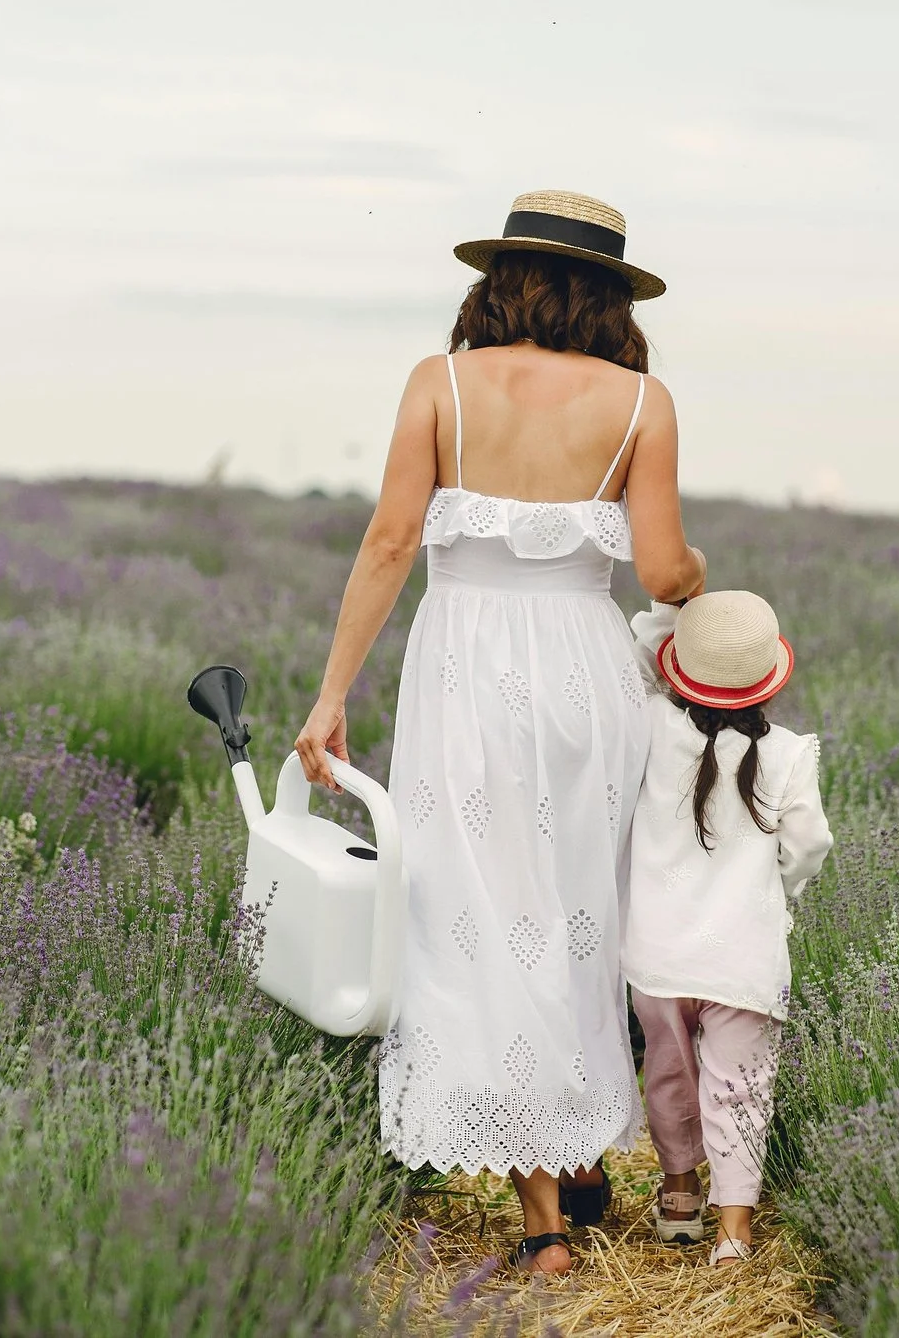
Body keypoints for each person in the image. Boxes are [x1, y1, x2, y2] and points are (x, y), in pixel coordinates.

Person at [295, 190, 708, 1277]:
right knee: (582, 912)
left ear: (500, 281)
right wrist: (697, 583)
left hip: (465, 672)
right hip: (585, 673)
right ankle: (578, 1150)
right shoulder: (643, 402)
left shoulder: (438, 384)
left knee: (481, 911)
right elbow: (664, 573)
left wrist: (331, 692)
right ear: (611, 298)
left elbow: (389, 541)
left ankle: (546, 1219)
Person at [624, 591, 832, 1267]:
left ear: (678, 669)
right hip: (743, 954)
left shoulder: (650, 722)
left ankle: (680, 1197)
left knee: (668, 1074)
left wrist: (670, 600)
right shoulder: (791, 753)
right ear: (770, 676)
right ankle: (734, 1233)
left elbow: (633, 655)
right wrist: (779, 889)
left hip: (656, 953)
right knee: (740, 1087)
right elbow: (808, 847)